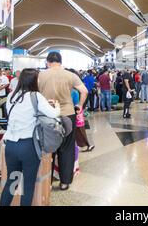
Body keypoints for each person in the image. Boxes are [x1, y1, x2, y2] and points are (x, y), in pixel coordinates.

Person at [0, 69, 61, 206]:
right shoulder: (36, 96)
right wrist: (56, 106)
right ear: (33, 80)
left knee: (13, 181)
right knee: (28, 186)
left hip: (10, 145)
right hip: (28, 147)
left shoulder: (11, 96)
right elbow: (53, 114)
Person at [38, 52, 88, 191]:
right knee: (67, 147)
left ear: (47, 62)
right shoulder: (70, 75)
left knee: (47, 147)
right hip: (67, 114)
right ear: (60, 61)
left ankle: (46, 181)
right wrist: (79, 105)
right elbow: (84, 91)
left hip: (47, 114)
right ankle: (65, 182)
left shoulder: (41, 75)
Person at [69, 69, 95, 153]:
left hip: (65, 113)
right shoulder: (74, 92)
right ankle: (84, 145)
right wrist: (80, 106)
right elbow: (83, 94)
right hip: (75, 112)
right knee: (80, 130)